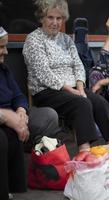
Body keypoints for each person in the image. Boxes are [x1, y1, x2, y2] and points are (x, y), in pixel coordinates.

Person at [22, 0, 109, 153]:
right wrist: (72, 91)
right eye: (50, 17)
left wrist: (80, 88)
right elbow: (43, 73)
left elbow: (78, 65)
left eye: (59, 18)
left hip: (73, 89)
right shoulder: (33, 40)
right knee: (82, 103)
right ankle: (84, 153)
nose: (55, 22)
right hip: (47, 91)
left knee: (100, 102)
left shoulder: (66, 40)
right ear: (41, 18)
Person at [0, 27, 60, 200]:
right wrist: (5, 116)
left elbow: (19, 95)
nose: (6, 51)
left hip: (12, 117)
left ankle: (29, 168)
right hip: (4, 121)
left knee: (48, 116)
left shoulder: (3, 70)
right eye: (1, 47)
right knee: (4, 137)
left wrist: (21, 111)